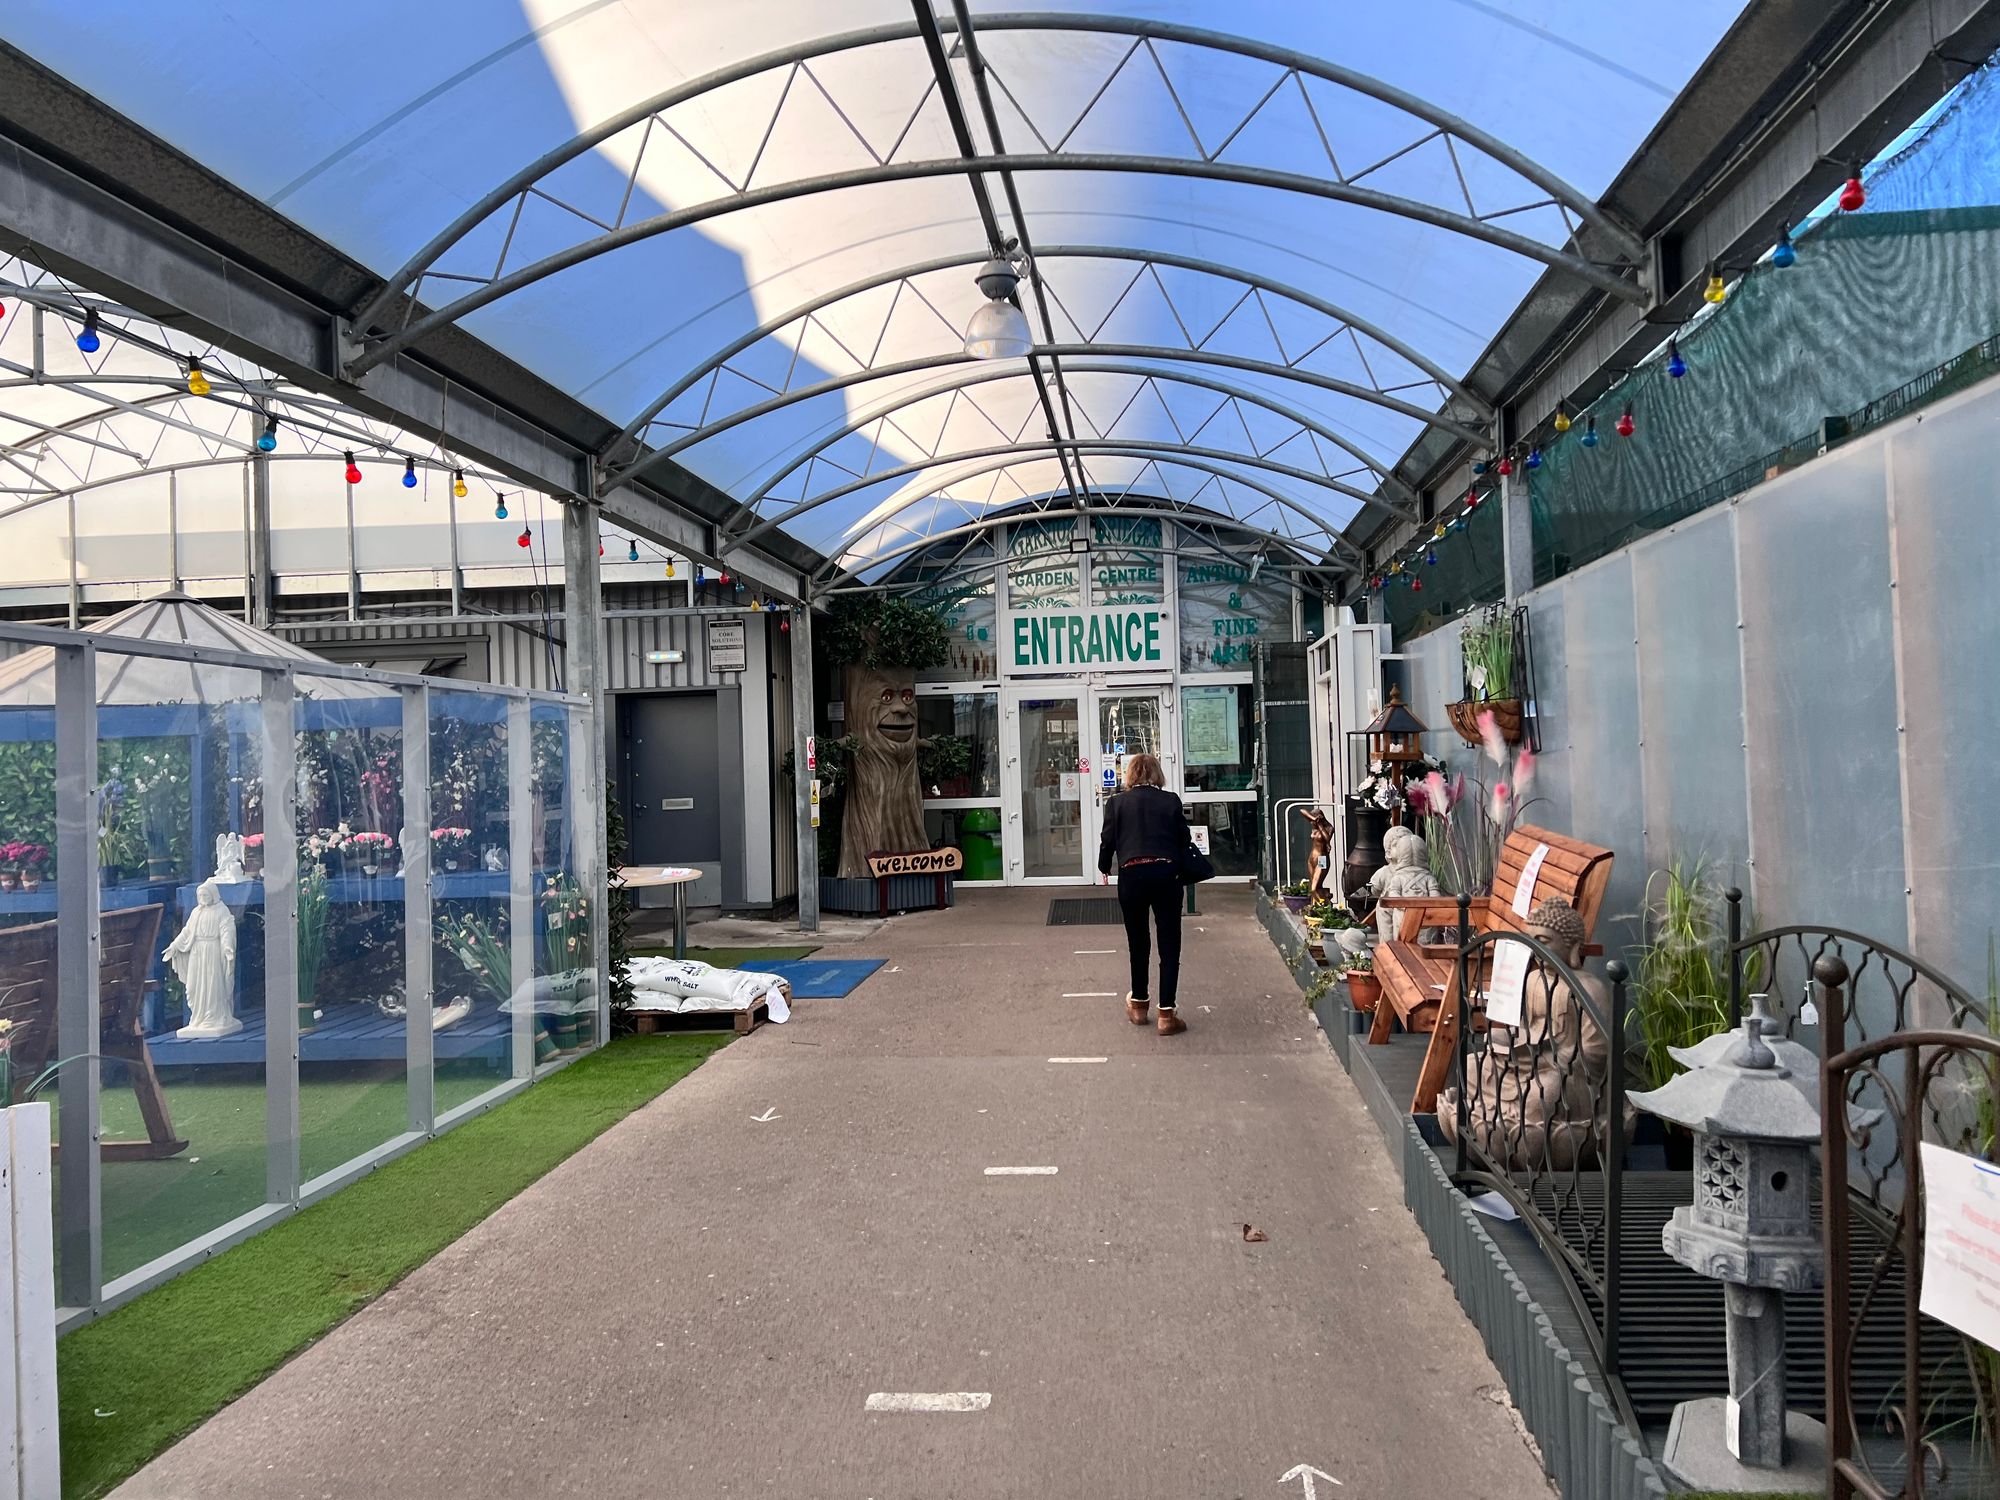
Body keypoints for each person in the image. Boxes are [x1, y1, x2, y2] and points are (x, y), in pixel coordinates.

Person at [1097, 751, 1192, 1035]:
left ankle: (1138, 1006)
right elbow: (1184, 839)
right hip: (1166, 875)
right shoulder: (1170, 800)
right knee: (1169, 943)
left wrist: (1104, 867)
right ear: (1156, 774)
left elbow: (1108, 839)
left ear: (1130, 775)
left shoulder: (1116, 803)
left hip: (1132, 875)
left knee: (1138, 942)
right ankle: (1166, 1013)